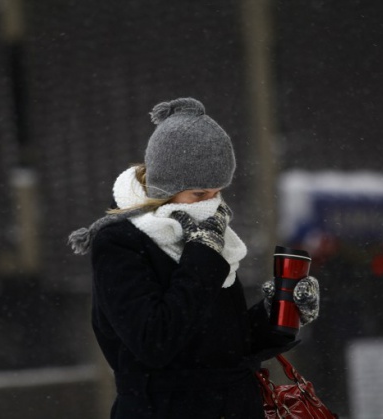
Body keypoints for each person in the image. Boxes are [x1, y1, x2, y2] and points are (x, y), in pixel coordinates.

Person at [69, 97, 320, 419]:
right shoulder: (121, 242)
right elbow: (155, 342)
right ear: (165, 187)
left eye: (217, 192)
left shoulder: (209, 239)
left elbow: (225, 349)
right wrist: (202, 254)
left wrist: (278, 313)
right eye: (199, 194)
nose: (211, 204)